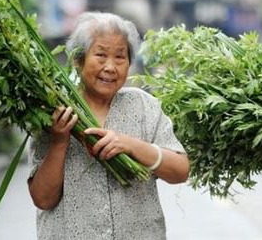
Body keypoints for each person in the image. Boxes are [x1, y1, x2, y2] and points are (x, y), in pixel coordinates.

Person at [27, 12, 190, 240]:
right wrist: (59, 141)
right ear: (78, 59)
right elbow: (43, 199)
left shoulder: (144, 106)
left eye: (120, 57)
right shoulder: (56, 111)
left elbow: (180, 170)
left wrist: (130, 145)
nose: (111, 67)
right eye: (101, 55)